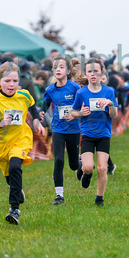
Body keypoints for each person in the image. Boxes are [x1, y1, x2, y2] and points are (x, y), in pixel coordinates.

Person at [0, 62, 45, 225]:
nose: (12, 85)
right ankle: (17, 190)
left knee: (15, 167)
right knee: (10, 175)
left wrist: (37, 120)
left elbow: (33, 106)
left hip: (20, 139)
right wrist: (0, 123)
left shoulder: (24, 95)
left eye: (15, 81)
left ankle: (14, 209)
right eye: (7, 81)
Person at [71, 58, 118, 207]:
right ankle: (87, 174)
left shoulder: (109, 91)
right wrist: (81, 113)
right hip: (87, 134)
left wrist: (110, 104)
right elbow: (73, 113)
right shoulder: (81, 93)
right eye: (90, 71)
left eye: (96, 71)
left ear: (102, 72)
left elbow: (114, 115)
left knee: (102, 168)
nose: (93, 74)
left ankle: (99, 198)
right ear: (86, 73)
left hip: (104, 133)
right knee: (88, 167)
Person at [41, 55, 81, 205]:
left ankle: (80, 163)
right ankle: (59, 196)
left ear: (68, 70)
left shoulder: (75, 88)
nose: (58, 69)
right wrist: (41, 112)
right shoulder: (50, 89)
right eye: (55, 67)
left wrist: (75, 114)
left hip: (74, 129)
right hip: (58, 128)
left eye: (61, 67)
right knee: (58, 160)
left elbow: (83, 106)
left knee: (73, 165)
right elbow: (45, 104)